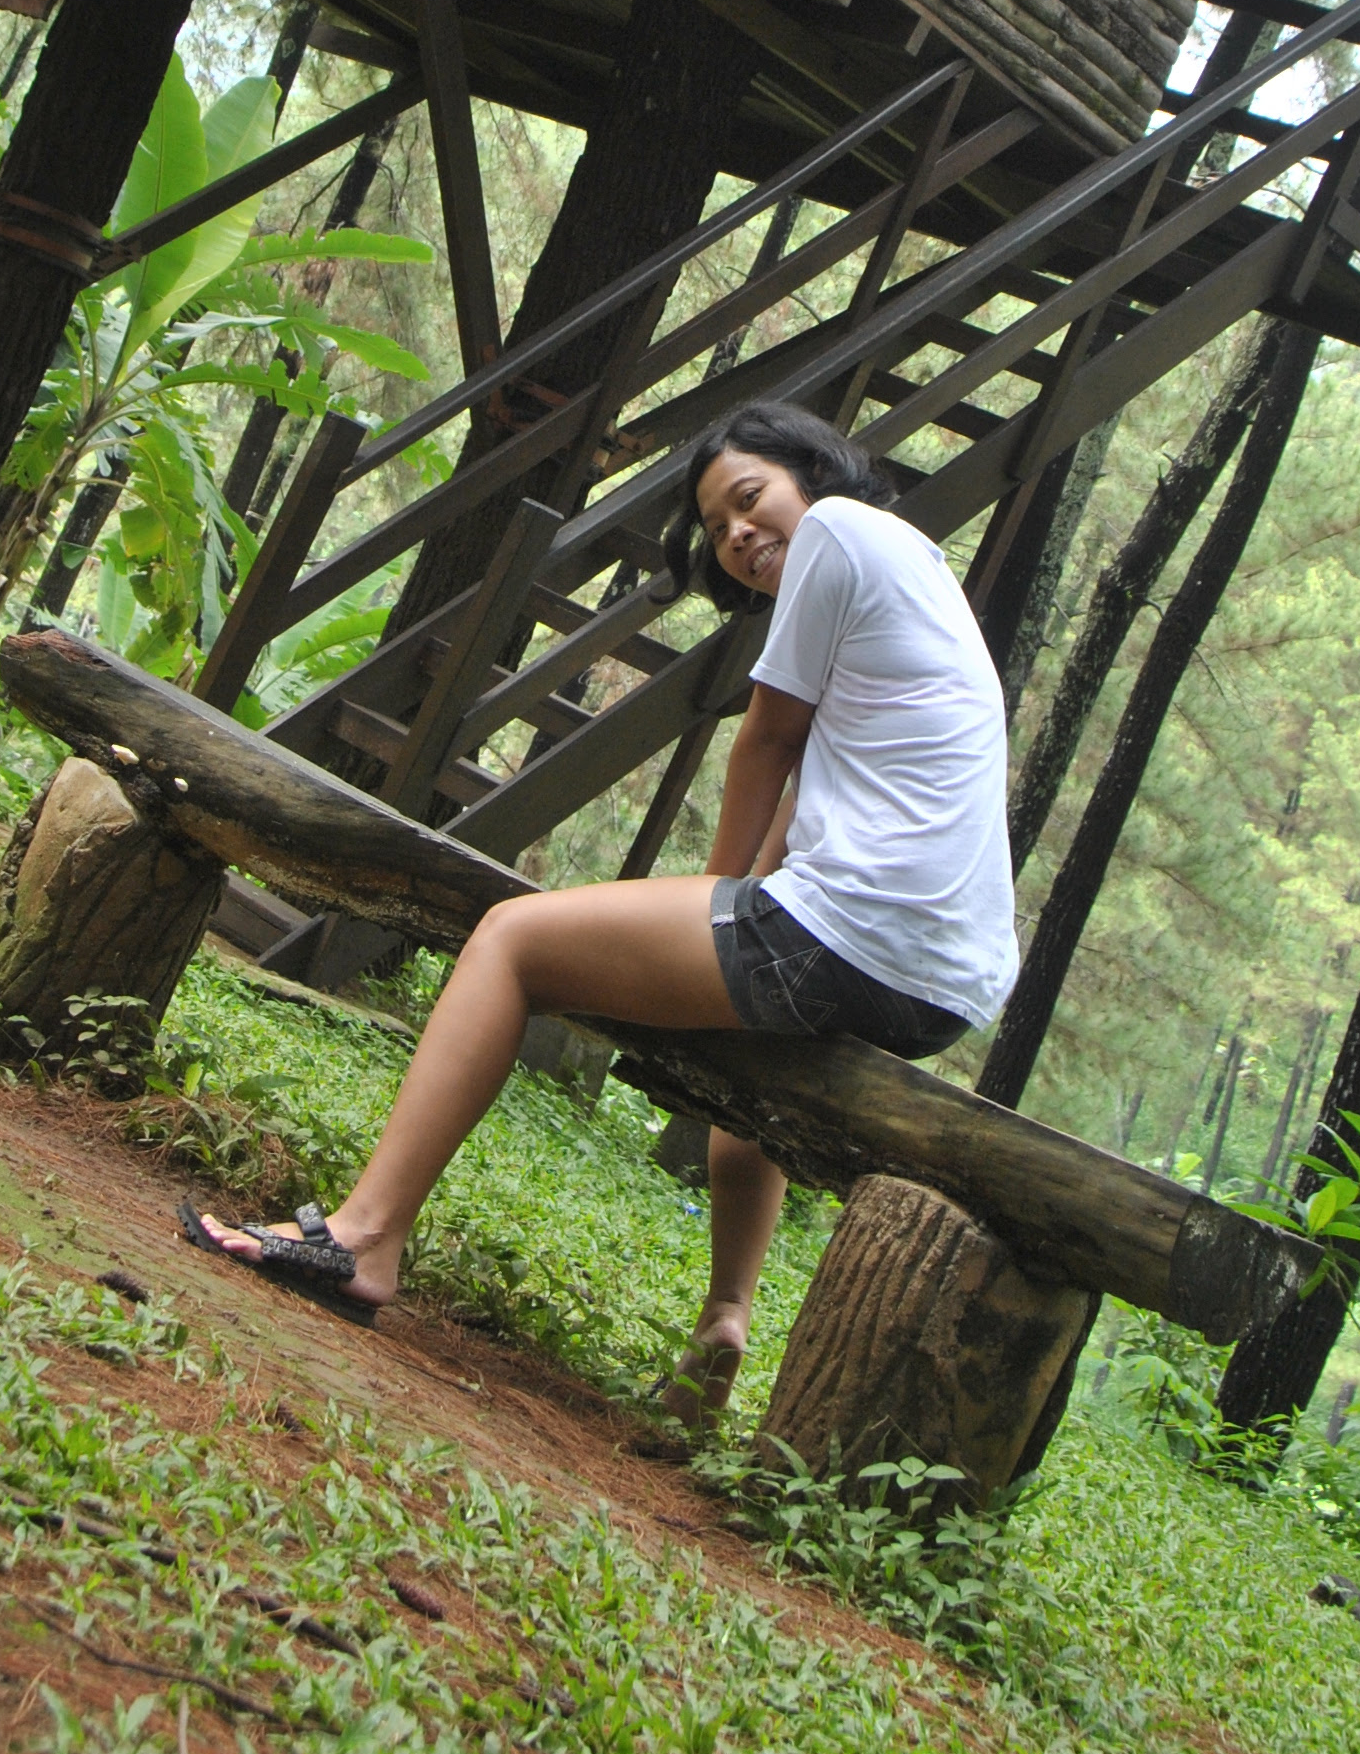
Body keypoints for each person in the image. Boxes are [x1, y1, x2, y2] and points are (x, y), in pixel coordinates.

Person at [184, 399, 1020, 1421]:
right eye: (716, 527)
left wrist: (712, 901)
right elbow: (809, 797)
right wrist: (730, 913)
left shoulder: (838, 531)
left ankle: (361, 1235)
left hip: (856, 932)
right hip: (941, 984)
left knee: (511, 939)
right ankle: (725, 1316)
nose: (739, 534)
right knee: (745, 1059)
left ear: (812, 471)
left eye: (750, 499)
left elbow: (763, 742)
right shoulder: (914, 568)